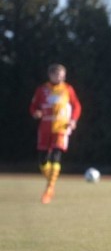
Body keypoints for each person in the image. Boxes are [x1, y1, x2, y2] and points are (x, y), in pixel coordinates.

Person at [29, 64, 82, 204]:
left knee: (56, 155)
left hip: (61, 127)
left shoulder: (67, 89)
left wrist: (73, 120)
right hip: (45, 127)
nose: (59, 77)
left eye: (62, 75)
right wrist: (35, 113)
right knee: (43, 160)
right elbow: (33, 106)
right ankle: (50, 182)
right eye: (56, 74)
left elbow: (77, 106)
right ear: (50, 75)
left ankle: (49, 188)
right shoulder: (42, 89)